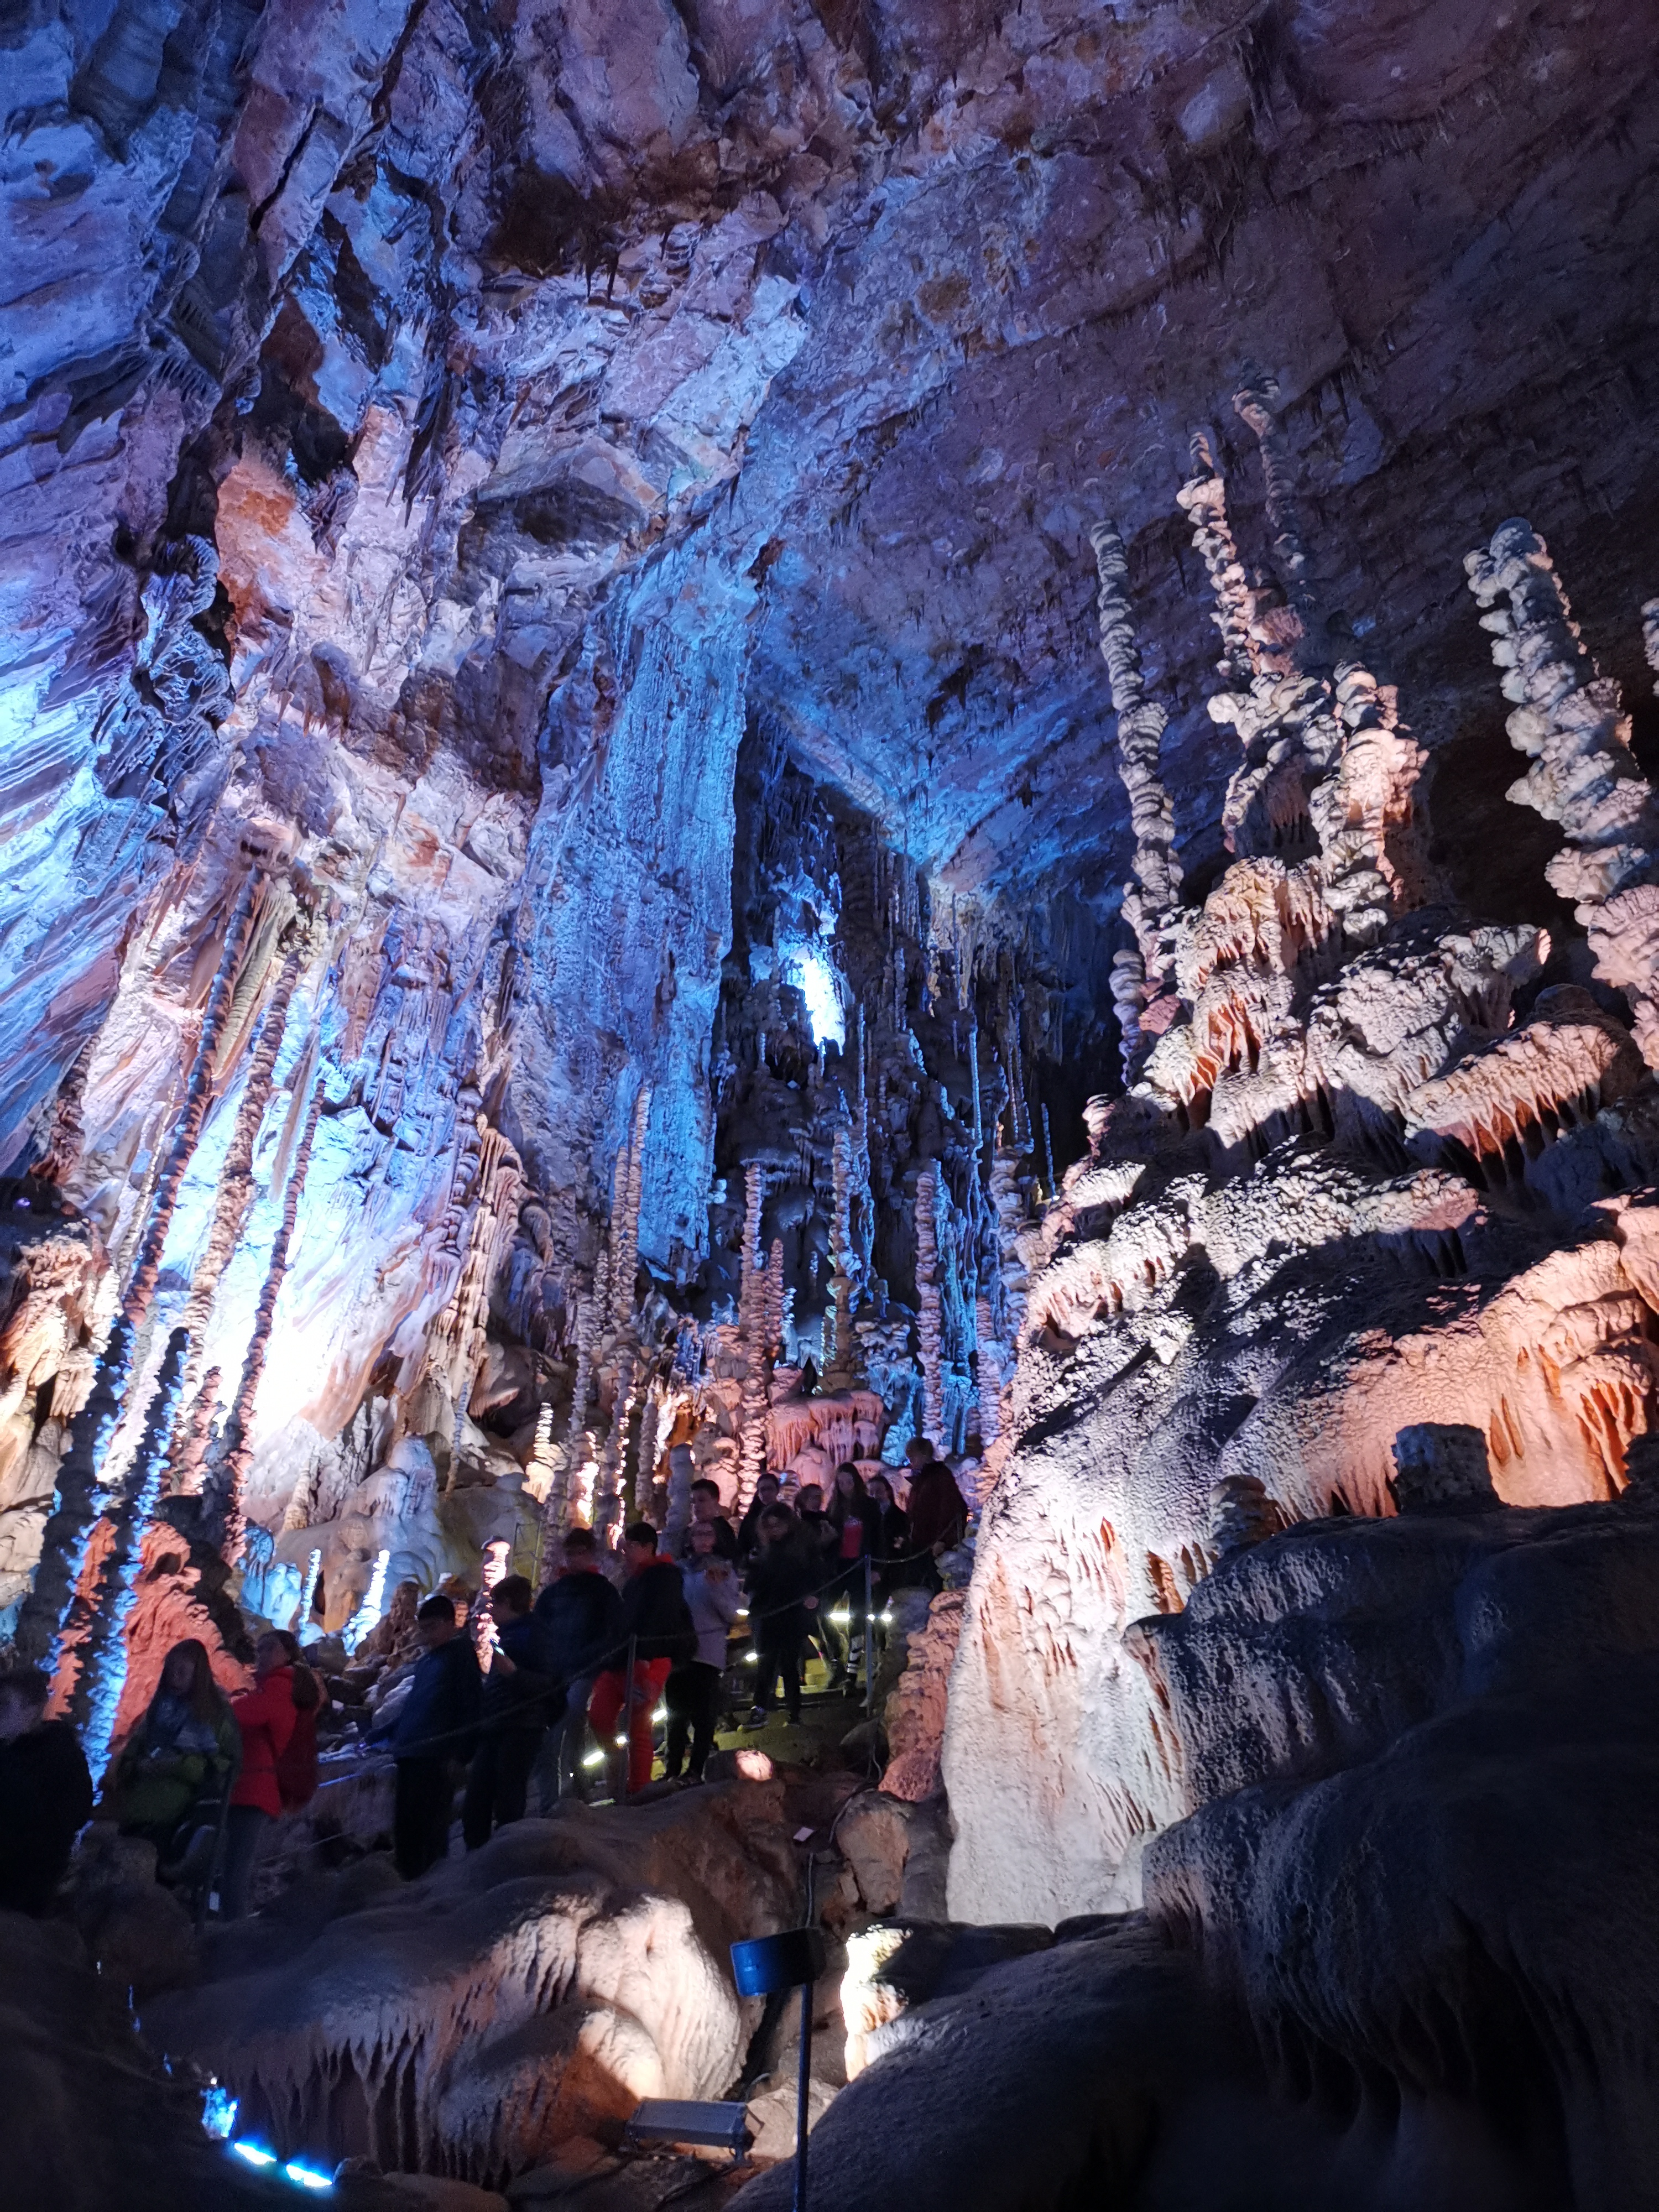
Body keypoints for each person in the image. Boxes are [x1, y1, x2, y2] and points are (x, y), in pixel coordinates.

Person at [373, 1594, 482, 1880]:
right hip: (411, 1751)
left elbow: (470, 1706)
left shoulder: (461, 1657)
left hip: (436, 1754)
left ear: (450, 1623)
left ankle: (428, 1882)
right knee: (406, 1825)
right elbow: (416, 1706)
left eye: (432, 1627)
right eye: (423, 1629)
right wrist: (386, 1732)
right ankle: (408, 1880)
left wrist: (461, 1754)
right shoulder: (428, 1661)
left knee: (429, 1826)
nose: (427, 1635)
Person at [111, 1639, 239, 1868]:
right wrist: (136, 1766)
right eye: (170, 1671)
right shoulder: (159, 1708)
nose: (174, 1678)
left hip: (181, 1819)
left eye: (182, 1672)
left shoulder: (217, 1716)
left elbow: (226, 1767)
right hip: (138, 1812)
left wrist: (180, 1765)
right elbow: (134, 1750)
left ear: (198, 1676)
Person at [587, 1524, 693, 1797]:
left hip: (650, 1657)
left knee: (639, 1725)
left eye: (631, 1546)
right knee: (599, 1715)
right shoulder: (635, 1580)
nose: (625, 1552)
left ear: (647, 1547)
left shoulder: (665, 1577)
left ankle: (638, 1787)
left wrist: (644, 1659)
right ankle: (618, 1767)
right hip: (623, 1658)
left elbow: (659, 1619)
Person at [531, 1526, 623, 1808]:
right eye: (570, 1554)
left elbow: (613, 1631)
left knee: (570, 1723)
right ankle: (563, 1795)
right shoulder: (554, 1593)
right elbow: (539, 1629)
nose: (574, 1559)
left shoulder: (602, 1591)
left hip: (586, 1668)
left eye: (580, 1553)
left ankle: (575, 1790)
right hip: (556, 1672)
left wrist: (594, 1659)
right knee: (560, 1730)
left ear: (591, 1554)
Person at [463, 1575, 556, 1848]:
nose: (491, 1612)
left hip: (521, 1726)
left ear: (507, 1603)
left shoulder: (535, 1635)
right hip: (498, 1723)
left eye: (494, 1605)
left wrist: (514, 1674)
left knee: (508, 1796)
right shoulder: (511, 1634)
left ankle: (506, 1854)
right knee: (478, 1798)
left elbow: (548, 1683)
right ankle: (479, 1856)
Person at [0, 1668, 93, 1914]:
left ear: (31, 1711)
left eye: (5, 1705)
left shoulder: (59, 1756)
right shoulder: (12, 1753)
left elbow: (69, 1814)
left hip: (24, 1877)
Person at [665, 1518, 741, 1781]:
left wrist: (715, 1587)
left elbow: (731, 1614)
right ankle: (672, 1769)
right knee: (676, 1715)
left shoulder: (724, 1571)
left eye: (709, 1534)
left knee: (703, 1715)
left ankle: (696, 1769)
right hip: (679, 1651)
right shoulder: (679, 1571)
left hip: (708, 1651)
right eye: (698, 1534)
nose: (704, 1540)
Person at [742, 1506, 821, 1728]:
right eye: (770, 1526)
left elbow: (814, 1576)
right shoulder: (763, 1552)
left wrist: (812, 1597)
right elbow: (754, 1583)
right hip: (768, 1614)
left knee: (789, 1665)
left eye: (778, 1525)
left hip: (790, 1614)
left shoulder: (800, 1550)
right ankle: (761, 1710)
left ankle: (794, 1714)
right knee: (766, 1664)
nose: (774, 1530)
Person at [821, 1463, 881, 1687]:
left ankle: (852, 1671)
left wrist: (877, 1568)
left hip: (860, 1565)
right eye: (841, 1483)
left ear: (856, 1482)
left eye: (849, 1482)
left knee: (857, 1615)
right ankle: (836, 1657)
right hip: (839, 1567)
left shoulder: (869, 1506)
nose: (845, 1487)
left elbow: (878, 1537)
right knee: (824, 1610)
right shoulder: (834, 1507)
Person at [903, 1438, 969, 1591]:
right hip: (920, 1542)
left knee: (935, 1583)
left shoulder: (940, 1476)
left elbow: (950, 1508)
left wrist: (942, 1540)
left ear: (924, 1454)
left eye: (912, 1455)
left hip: (934, 1543)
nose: (910, 1460)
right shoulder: (922, 1479)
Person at [867, 1470, 911, 1611]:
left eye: (879, 1491)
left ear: (888, 1492)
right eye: (871, 1492)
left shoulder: (899, 1517)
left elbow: (902, 1542)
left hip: (891, 1567)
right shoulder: (866, 1517)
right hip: (869, 1563)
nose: (875, 1496)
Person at [675, 1478, 738, 1563]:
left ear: (715, 1501)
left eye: (702, 1500)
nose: (696, 1506)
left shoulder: (723, 1530)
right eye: (693, 1502)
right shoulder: (687, 1531)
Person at [736, 1471, 781, 1564]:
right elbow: (742, 1546)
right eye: (763, 1490)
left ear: (777, 1490)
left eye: (770, 1489)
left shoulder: (784, 1514)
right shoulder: (750, 1519)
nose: (766, 1493)